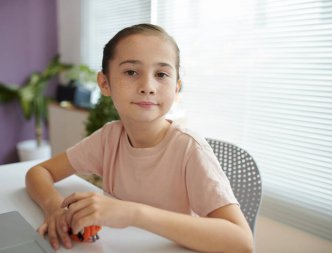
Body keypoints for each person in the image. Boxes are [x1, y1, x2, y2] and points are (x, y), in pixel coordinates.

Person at [25, 23, 253, 253]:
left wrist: (133, 213)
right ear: (105, 83)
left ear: (176, 88)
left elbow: (242, 243)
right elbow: (39, 172)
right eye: (131, 72)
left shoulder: (190, 150)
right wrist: (54, 208)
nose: (147, 86)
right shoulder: (108, 138)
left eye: (161, 74)